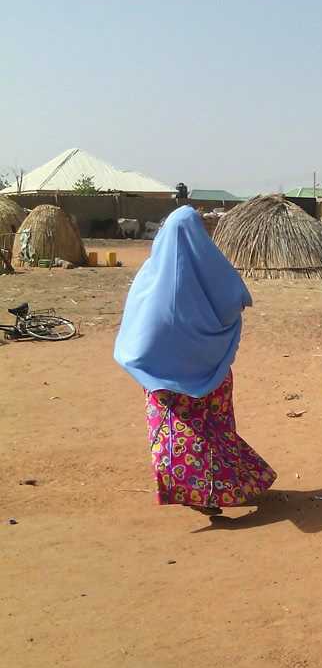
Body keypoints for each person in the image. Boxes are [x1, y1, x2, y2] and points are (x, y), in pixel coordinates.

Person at [114, 206, 276, 517]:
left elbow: (136, 327)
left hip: (162, 378)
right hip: (211, 373)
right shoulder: (212, 267)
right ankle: (220, 489)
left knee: (178, 433)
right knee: (215, 432)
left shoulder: (149, 276)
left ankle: (197, 491)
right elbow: (237, 300)